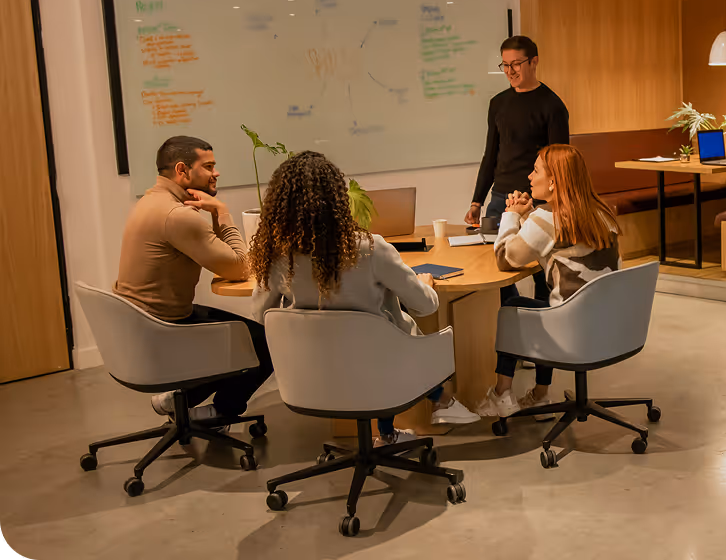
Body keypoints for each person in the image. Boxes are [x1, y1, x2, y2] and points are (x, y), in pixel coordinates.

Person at [250, 151, 480, 444]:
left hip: (312, 374)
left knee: (378, 327)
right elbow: (425, 306)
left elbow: (260, 315)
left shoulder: (276, 258)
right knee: (390, 325)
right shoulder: (371, 249)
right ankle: (439, 401)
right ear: (336, 199)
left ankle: (397, 429)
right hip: (381, 370)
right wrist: (425, 283)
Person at [115, 136, 272, 423]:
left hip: (137, 323)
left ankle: (180, 400)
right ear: (182, 170)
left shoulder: (151, 201)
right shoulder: (176, 215)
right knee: (264, 341)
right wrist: (222, 213)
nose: (216, 173)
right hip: (161, 328)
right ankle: (220, 412)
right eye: (209, 166)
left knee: (242, 334)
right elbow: (239, 268)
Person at [476, 144, 622, 418]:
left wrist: (511, 215)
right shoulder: (602, 212)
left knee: (515, 307)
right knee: (546, 301)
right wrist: (527, 218)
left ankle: (501, 395)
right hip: (612, 326)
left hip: (572, 328)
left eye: (536, 170)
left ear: (553, 181)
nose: (530, 177)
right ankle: (541, 395)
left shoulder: (547, 218)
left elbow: (506, 259)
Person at [466, 35, 570, 302]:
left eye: (516, 64)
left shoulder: (552, 105)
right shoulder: (498, 103)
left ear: (534, 62)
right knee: (496, 265)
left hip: (536, 201)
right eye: (505, 65)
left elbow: (560, 162)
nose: (510, 71)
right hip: (500, 199)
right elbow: (491, 154)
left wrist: (555, 203)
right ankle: (509, 317)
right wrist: (478, 200)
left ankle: (546, 321)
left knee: (541, 270)